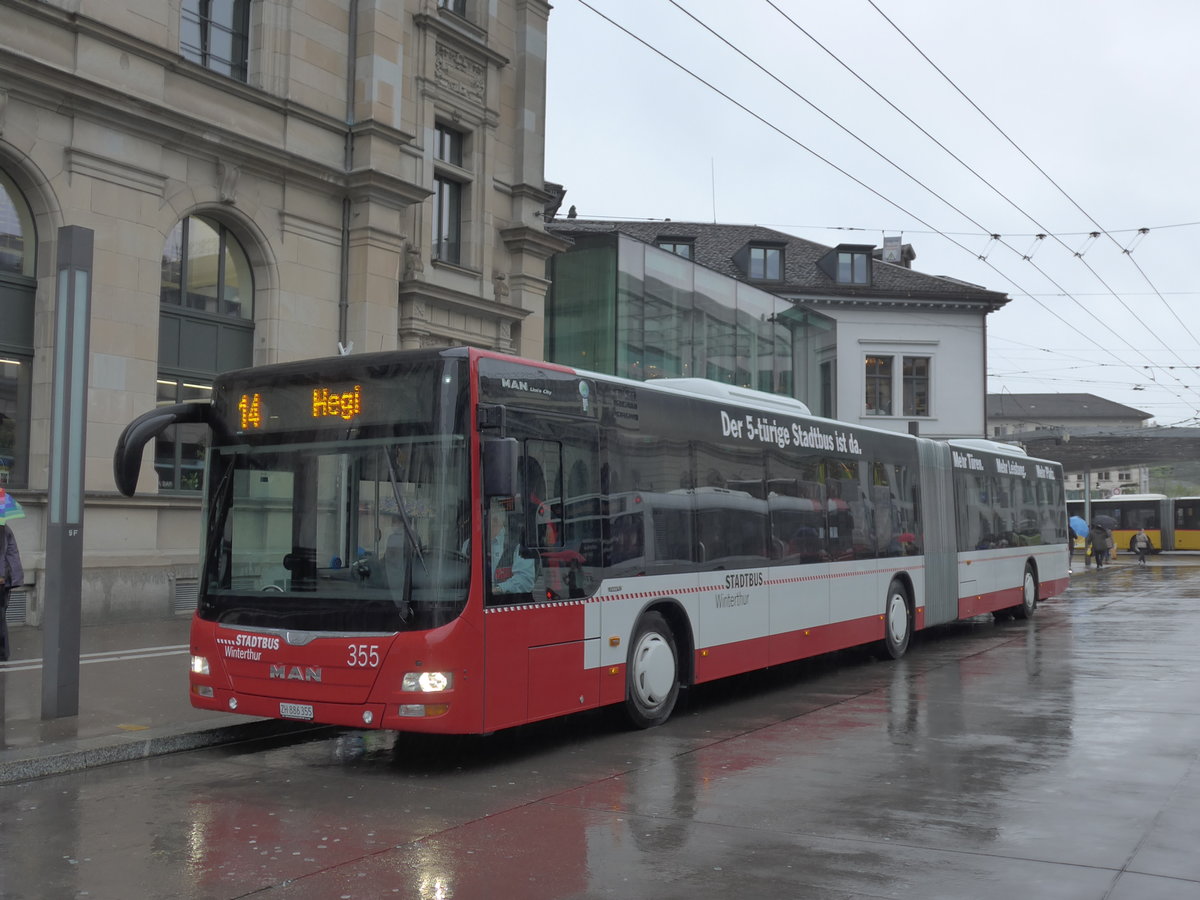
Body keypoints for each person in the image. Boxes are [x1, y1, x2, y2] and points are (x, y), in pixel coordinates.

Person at [0, 523, 23, 661]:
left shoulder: (2, 529)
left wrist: (1, 577)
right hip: (4, 579)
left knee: (0, 617)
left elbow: (1, 556)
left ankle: (2, 653)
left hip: (2, 580)